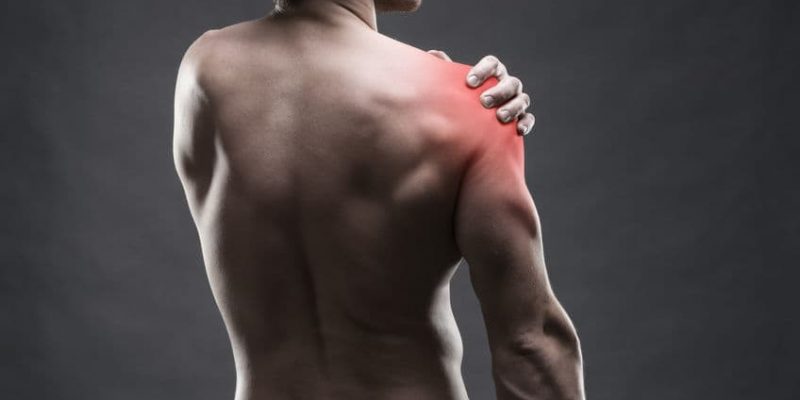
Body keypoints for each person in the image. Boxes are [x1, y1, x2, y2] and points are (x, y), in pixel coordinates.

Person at [173, 0, 584, 399]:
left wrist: (442, 88)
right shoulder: (463, 104)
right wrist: (464, 102)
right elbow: (531, 346)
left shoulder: (205, 69)